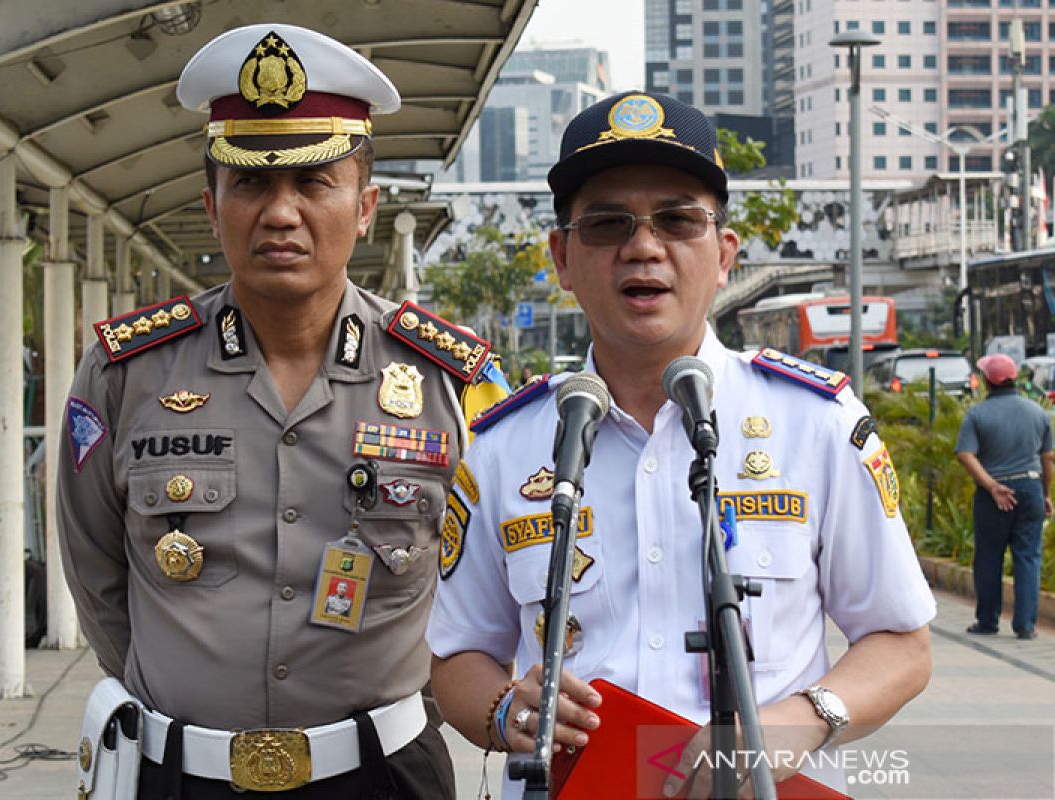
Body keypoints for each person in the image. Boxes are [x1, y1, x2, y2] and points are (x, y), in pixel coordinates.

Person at [426, 91, 935, 798]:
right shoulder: (505, 447)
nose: (643, 246)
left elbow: (902, 642)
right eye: (607, 223)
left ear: (723, 254)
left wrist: (798, 721)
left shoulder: (814, 422)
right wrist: (507, 708)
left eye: (677, 220)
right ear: (563, 259)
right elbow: (454, 656)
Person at [58, 23, 506, 800]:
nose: (281, 213)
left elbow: (496, 576)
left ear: (365, 206)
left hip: (386, 778)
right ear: (212, 204)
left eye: (313, 183)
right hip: (181, 778)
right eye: (252, 185)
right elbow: (97, 573)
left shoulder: (452, 382)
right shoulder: (125, 373)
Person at [956, 353, 1053, 640]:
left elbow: (965, 454)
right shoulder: (1037, 412)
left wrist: (991, 486)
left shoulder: (977, 414)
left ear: (987, 381)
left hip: (994, 496)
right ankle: (1025, 626)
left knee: (989, 557)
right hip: (1031, 489)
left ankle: (987, 621)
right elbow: (1048, 458)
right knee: (1028, 558)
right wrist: (1045, 494)